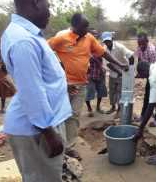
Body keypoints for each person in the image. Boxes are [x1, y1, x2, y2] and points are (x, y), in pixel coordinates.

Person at [1, 0, 72, 181]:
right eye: (48, 6)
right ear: (36, 0)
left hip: (41, 125)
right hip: (38, 130)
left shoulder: (26, 35)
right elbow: (32, 91)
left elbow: (38, 79)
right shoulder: (23, 40)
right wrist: (49, 134)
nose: (49, 12)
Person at [48, 14, 128, 160]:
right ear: (74, 26)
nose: (87, 29)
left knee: (74, 115)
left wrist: (119, 64)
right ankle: (58, 145)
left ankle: (69, 147)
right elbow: (44, 52)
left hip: (81, 84)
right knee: (60, 116)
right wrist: (55, 70)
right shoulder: (61, 38)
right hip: (63, 85)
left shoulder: (89, 38)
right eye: (84, 26)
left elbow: (103, 53)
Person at [101, 32, 134, 114]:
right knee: (112, 91)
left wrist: (129, 69)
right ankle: (113, 107)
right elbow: (108, 64)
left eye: (108, 41)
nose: (107, 43)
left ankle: (119, 110)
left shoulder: (120, 47)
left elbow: (131, 57)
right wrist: (119, 72)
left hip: (123, 73)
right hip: (113, 73)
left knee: (120, 92)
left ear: (112, 39)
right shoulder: (104, 49)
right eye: (105, 42)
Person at [136, 32, 156, 127]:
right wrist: (139, 72)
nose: (141, 46)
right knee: (147, 95)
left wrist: (146, 74)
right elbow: (140, 60)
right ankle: (144, 115)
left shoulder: (152, 50)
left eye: (143, 43)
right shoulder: (139, 49)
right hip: (149, 73)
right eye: (139, 44)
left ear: (147, 42)